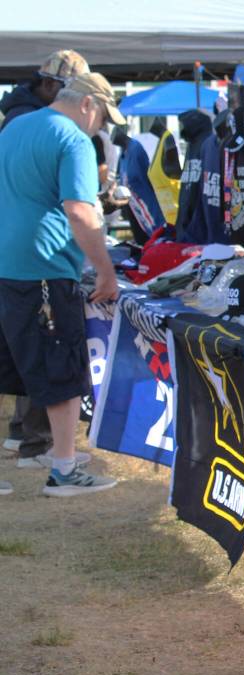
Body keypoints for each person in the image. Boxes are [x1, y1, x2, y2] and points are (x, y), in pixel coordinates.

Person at [0, 72, 124, 496]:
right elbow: (80, 212)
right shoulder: (73, 140)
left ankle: (62, 462)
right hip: (45, 268)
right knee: (62, 369)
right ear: (88, 104)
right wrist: (105, 270)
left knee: (13, 370)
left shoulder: (17, 125)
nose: (102, 127)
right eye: (104, 117)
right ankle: (65, 469)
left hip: (7, 263)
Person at [0, 49, 91, 466]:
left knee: (26, 355)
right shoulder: (47, 128)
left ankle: (32, 440)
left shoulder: (16, 122)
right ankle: (42, 446)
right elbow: (73, 206)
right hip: (38, 263)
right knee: (45, 358)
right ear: (55, 87)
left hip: (16, 258)